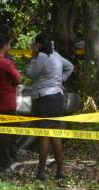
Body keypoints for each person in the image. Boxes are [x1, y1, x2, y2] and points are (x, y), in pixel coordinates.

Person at [26, 34, 74, 181]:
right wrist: (61, 80)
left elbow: (30, 73)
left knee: (44, 136)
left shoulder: (41, 57)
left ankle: (41, 173)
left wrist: (33, 57)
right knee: (56, 135)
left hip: (44, 98)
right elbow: (70, 67)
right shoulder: (56, 55)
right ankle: (60, 171)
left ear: (38, 45)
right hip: (57, 97)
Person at [0, 34, 22, 172]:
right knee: (8, 132)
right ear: (5, 45)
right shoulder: (4, 62)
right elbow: (18, 79)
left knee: (8, 130)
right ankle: (4, 162)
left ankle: (11, 156)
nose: (10, 47)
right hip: (7, 100)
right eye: (10, 44)